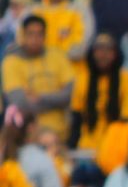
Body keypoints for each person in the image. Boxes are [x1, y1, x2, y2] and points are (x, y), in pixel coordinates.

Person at [0, 12, 74, 140]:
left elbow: (68, 95)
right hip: (26, 136)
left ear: (45, 36)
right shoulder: (11, 62)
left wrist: (40, 97)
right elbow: (19, 102)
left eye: (39, 34)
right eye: (30, 34)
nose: (35, 39)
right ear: (22, 35)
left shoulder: (57, 56)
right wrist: (56, 100)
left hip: (60, 134)